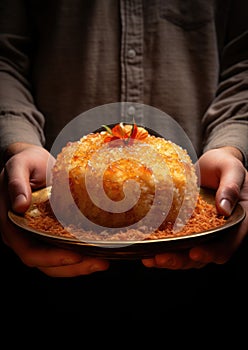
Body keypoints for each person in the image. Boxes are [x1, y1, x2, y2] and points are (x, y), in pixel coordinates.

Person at [0, 0, 247, 319]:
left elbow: (243, 61)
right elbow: (5, 55)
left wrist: (230, 147)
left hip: (205, 277)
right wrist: (17, 144)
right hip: (41, 273)